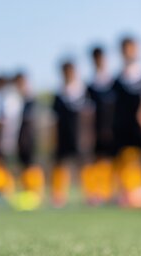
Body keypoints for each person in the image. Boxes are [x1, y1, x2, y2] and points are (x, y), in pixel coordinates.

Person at [111, 36, 141, 208]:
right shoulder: (117, 79)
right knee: (127, 159)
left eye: (132, 48)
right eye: (125, 49)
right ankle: (128, 193)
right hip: (123, 128)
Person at [51, 60, 90, 207]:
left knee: (83, 164)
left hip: (79, 135)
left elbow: (88, 115)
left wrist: (87, 136)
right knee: (61, 165)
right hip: (63, 136)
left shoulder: (83, 91)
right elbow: (54, 119)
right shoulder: (59, 94)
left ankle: (90, 193)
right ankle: (59, 195)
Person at [86, 46, 116, 205]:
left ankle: (110, 192)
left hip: (113, 129)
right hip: (95, 130)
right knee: (97, 161)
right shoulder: (89, 86)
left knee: (112, 161)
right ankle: (97, 193)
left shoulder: (114, 82)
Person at [14, 72, 45, 198]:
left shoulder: (31, 100)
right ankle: (27, 191)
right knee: (24, 165)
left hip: (30, 138)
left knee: (32, 165)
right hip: (21, 139)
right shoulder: (17, 100)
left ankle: (36, 192)